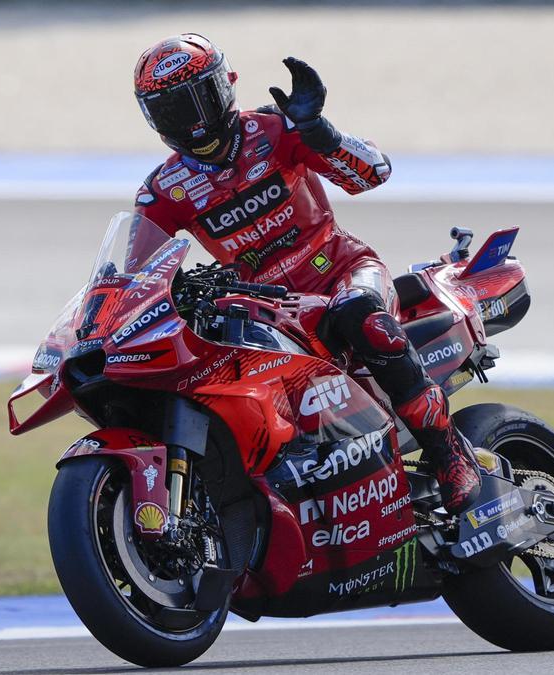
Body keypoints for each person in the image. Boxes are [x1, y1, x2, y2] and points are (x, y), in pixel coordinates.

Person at [130, 34, 481, 514]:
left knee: (363, 314)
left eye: (199, 98)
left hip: (343, 271)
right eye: (171, 110)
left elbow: (373, 172)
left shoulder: (277, 129)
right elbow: (136, 273)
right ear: (153, 119)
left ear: (225, 85)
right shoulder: (162, 190)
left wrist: (321, 132)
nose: (191, 120)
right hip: (265, 311)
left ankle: (449, 453)